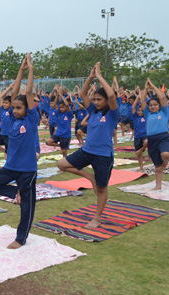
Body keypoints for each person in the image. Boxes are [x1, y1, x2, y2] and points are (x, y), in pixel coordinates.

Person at [0, 53, 39, 249]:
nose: (15, 110)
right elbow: (14, 93)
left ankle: (21, 238)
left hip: (27, 170)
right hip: (11, 167)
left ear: (27, 109)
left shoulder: (31, 119)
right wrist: (20, 71)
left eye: (19, 108)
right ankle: (17, 192)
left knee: (27, 206)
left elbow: (27, 93)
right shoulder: (13, 119)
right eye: (13, 108)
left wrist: (30, 70)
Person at [57, 62, 119, 229]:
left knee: (101, 188)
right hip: (86, 151)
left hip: (103, 155)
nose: (96, 102)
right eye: (95, 100)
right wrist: (91, 77)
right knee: (61, 164)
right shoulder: (93, 111)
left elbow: (112, 96)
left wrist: (99, 77)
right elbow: (83, 93)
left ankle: (97, 218)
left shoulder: (113, 114)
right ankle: (90, 177)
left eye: (99, 99)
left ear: (106, 100)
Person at [140, 78, 169, 190]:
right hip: (152, 139)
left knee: (166, 155)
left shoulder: (164, 112)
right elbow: (142, 102)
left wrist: (152, 86)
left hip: (163, 137)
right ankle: (158, 186)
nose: (152, 106)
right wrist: (145, 89)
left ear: (159, 106)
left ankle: (163, 165)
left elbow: (162, 97)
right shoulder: (147, 114)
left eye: (155, 105)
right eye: (151, 105)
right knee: (157, 166)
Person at [46, 88, 73, 157]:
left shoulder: (69, 114)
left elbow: (67, 104)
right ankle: (61, 145)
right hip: (58, 133)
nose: (61, 109)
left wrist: (61, 95)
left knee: (64, 152)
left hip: (66, 135)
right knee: (48, 142)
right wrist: (57, 95)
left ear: (66, 108)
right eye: (60, 107)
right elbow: (55, 104)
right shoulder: (59, 113)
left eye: (62, 107)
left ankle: (65, 164)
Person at [131, 94, 148, 171]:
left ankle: (141, 149)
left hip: (145, 135)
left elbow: (145, 105)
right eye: (138, 110)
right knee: (139, 155)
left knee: (146, 142)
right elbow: (133, 107)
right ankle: (141, 167)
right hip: (137, 136)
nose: (139, 112)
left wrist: (142, 99)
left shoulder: (146, 116)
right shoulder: (135, 116)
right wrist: (137, 98)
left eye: (141, 111)